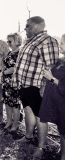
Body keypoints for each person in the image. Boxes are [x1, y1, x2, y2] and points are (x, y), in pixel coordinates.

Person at [11, 16, 59, 158]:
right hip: (24, 84)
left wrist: (45, 86)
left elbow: (51, 67)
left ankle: (41, 146)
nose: (25, 29)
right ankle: (28, 136)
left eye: (28, 26)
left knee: (40, 116)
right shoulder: (30, 40)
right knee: (28, 110)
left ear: (38, 26)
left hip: (37, 86)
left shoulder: (48, 41)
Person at [38, 34, 65, 160]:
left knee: (63, 129)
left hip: (62, 101)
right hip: (51, 98)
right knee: (45, 118)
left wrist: (51, 78)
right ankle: (41, 146)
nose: (60, 46)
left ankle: (63, 156)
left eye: (62, 43)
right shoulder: (60, 60)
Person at [0, 32, 22, 132]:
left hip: (14, 82)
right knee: (7, 103)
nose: (8, 43)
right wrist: (2, 74)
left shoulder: (20, 53)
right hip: (6, 82)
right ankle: (9, 121)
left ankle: (16, 124)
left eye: (10, 41)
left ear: (17, 41)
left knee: (15, 105)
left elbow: (16, 67)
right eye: (7, 41)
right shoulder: (10, 52)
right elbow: (5, 65)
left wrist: (4, 72)